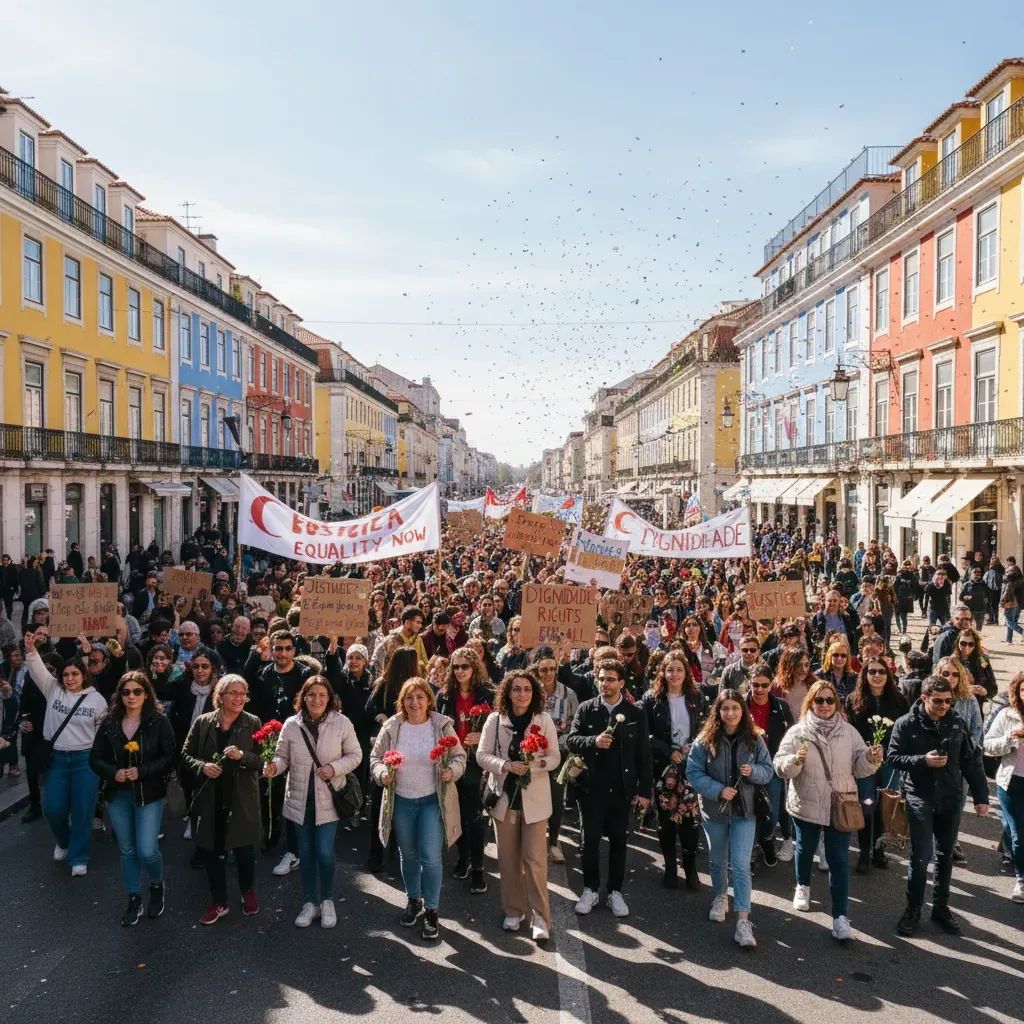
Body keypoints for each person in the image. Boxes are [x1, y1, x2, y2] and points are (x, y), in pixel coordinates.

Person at [774, 678, 882, 942]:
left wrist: (870, 758)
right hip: (807, 800)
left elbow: (860, 766)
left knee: (838, 860)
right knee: (805, 848)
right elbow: (779, 765)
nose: (825, 705)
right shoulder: (798, 732)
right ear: (811, 702)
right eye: (819, 700)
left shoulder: (848, 732)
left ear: (837, 702)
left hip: (840, 803)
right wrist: (794, 762)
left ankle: (840, 917)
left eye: (830, 700)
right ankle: (803, 885)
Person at [888, 675, 989, 936]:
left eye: (948, 701)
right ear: (924, 698)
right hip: (920, 796)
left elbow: (970, 760)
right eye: (938, 701)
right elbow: (893, 758)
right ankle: (913, 909)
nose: (944, 705)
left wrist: (981, 798)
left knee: (945, 856)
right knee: (921, 857)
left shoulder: (956, 723)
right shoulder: (906, 724)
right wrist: (923, 760)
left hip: (951, 798)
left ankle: (941, 908)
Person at [369, 678, 466, 941]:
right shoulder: (392, 726)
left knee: (431, 856)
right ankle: (414, 899)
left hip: (431, 799)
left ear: (429, 700)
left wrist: (452, 771)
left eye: (420, 697)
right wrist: (381, 773)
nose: (415, 703)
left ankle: (432, 909)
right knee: (408, 854)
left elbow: (460, 757)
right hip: (401, 799)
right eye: (410, 698)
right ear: (403, 701)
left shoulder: (441, 724)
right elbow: (375, 758)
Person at [264, 676, 363, 928]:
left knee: (324, 852)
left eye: (321, 694)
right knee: (306, 854)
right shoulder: (291, 724)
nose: (316, 699)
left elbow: (356, 755)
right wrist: (273, 767)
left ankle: (328, 900)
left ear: (329, 697)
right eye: (311, 695)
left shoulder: (341, 722)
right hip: (299, 799)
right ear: (304, 697)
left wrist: (334, 768)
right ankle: (310, 902)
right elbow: (282, 756)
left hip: (329, 799)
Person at [476, 669, 560, 941]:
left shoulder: (544, 719)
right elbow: (482, 755)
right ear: (507, 692)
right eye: (516, 689)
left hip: (535, 801)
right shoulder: (494, 719)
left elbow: (555, 757)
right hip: (504, 799)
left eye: (526, 689)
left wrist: (537, 765)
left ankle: (540, 918)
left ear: (534, 692)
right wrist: (506, 766)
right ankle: (514, 910)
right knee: (508, 860)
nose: (521, 694)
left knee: (535, 861)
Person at [687, 689, 773, 949]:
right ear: (718, 711)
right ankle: (720, 896)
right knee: (717, 859)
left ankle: (743, 921)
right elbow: (693, 772)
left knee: (741, 864)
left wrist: (753, 771)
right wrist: (717, 789)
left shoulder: (755, 740)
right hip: (716, 811)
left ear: (742, 711)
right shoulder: (705, 740)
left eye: (735, 708)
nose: (731, 713)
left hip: (745, 812)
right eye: (725, 708)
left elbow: (768, 770)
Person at [567, 658, 653, 919]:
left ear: (621, 683)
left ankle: (615, 891)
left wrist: (645, 792)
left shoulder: (635, 713)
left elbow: (644, 755)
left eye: (611, 679)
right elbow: (571, 740)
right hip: (591, 789)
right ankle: (590, 889)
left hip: (622, 790)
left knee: (619, 841)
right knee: (589, 841)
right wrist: (594, 741)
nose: (605, 684)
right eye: (601, 678)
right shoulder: (586, 709)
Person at [89, 670, 176, 925]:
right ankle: (134, 896)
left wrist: (142, 771)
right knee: (127, 850)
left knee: (147, 850)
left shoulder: (158, 721)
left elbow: (169, 757)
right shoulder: (110, 723)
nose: (131, 696)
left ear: (146, 693)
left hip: (149, 793)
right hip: (118, 795)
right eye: (126, 691)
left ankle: (157, 885)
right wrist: (113, 773)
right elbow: (95, 758)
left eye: (137, 691)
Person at [180, 674, 264, 925]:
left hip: (241, 796)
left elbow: (263, 761)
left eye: (243, 693)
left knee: (244, 850)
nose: (239, 698)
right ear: (221, 696)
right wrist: (202, 766)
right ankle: (219, 901)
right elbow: (185, 755)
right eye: (234, 693)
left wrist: (243, 757)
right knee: (212, 850)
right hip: (211, 797)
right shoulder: (203, 722)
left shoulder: (253, 722)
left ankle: (247, 891)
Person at [23, 631, 108, 875]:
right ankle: (63, 841)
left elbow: (102, 736)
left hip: (85, 761)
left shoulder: (97, 700)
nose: (69, 679)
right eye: (66, 675)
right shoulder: (53, 690)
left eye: (75, 674)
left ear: (84, 676)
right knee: (53, 808)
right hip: (57, 759)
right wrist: (31, 648)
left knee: (82, 811)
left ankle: (78, 856)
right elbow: (37, 667)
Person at [639, 650, 706, 889]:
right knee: (666, 821)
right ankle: (669, 867)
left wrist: (693, 745)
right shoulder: (651, 698)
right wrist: (668, 750)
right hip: (663, 767)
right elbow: (644, 734)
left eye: (679, 669)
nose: (674, 674)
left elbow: (706, 727)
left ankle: (690, 868)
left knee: (689, 819)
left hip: (690, 767)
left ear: (686, 672)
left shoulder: (695, 696)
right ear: (663, 672)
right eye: (670, 670)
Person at [435, 646, 494, 894]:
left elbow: (499, 726)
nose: (459, 671)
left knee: (473, 814)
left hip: (475, 761)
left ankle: (479, 867)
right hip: (451, 759)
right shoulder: (445, 695)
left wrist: (482, 736)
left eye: (464, 667)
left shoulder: (487, 695)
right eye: (455, 666)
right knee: (454, 810)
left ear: (474, 668)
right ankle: (463, 857)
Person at [844, 658, 908, 873]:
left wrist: (890, 751)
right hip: (864, 762)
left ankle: (878, 850)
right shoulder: (854, 700)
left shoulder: (899, 700)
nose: (877, 675)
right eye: (872, 671)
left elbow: (904, 731)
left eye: (881, 671)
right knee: (866, 806)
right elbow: (850, 732)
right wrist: (866, 751)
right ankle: (863, 853)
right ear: (865, 674)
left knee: (884, 807)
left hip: (889, 761)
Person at [365, 647, 421, 873]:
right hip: (406, 749)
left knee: (381, 803)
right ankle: (401, 856)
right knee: (403, 805)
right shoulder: (415, 686)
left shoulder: (383, 683)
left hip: (386, 748)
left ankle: (376, 856)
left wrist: (381, 718)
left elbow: (369, 707)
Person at [745, 662, 795, 864]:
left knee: (772, 812)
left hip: (771, 766)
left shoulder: (781, 706)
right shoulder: (740, 703)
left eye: (764, 685)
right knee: (747, 811)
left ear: (771, 684)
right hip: (745, 766)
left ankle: (766, 838)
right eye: (755, 685)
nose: (759, 690)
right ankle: (753, 847)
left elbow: (791, 735)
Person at [532, 645, 578, 862]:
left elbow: (575, 726)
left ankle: (553, 841)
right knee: (534, 797)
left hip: (559, 753)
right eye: (543, 670)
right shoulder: (531, 693)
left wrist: (558, 746)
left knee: (556, 797)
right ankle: (536, 839)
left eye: (552, 669)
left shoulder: (568, 694)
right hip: (532, 754)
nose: (548, 674)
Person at [982, 671, 1024, 903]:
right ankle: (1022, 879)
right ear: (1017, 692)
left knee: (1018, 832)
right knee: (1018, 832)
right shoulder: (1007, 715)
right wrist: (1009, 739)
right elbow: (987, 745)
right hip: (1011, 781)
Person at [773, 648, 813, 719]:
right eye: (798, 665)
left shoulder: (814, 684)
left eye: (806, 665)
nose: (804, 669)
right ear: (788, 666)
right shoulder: (777, 686)